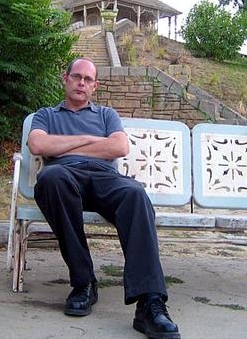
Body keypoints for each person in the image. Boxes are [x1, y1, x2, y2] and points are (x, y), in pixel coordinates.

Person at [28, 57, 181, 339]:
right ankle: (83, 282)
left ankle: (150, 302)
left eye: (88, 80)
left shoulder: (106, 115)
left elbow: (120, 146)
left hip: (104, 179)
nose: (81, 83)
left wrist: (63, 146)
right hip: (64, 177)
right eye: (77, 77)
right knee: (50, 178)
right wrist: (94, 141)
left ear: (95, 86)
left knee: (135, 194)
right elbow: (38, 144)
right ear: (66, 79)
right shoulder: (46, 115)